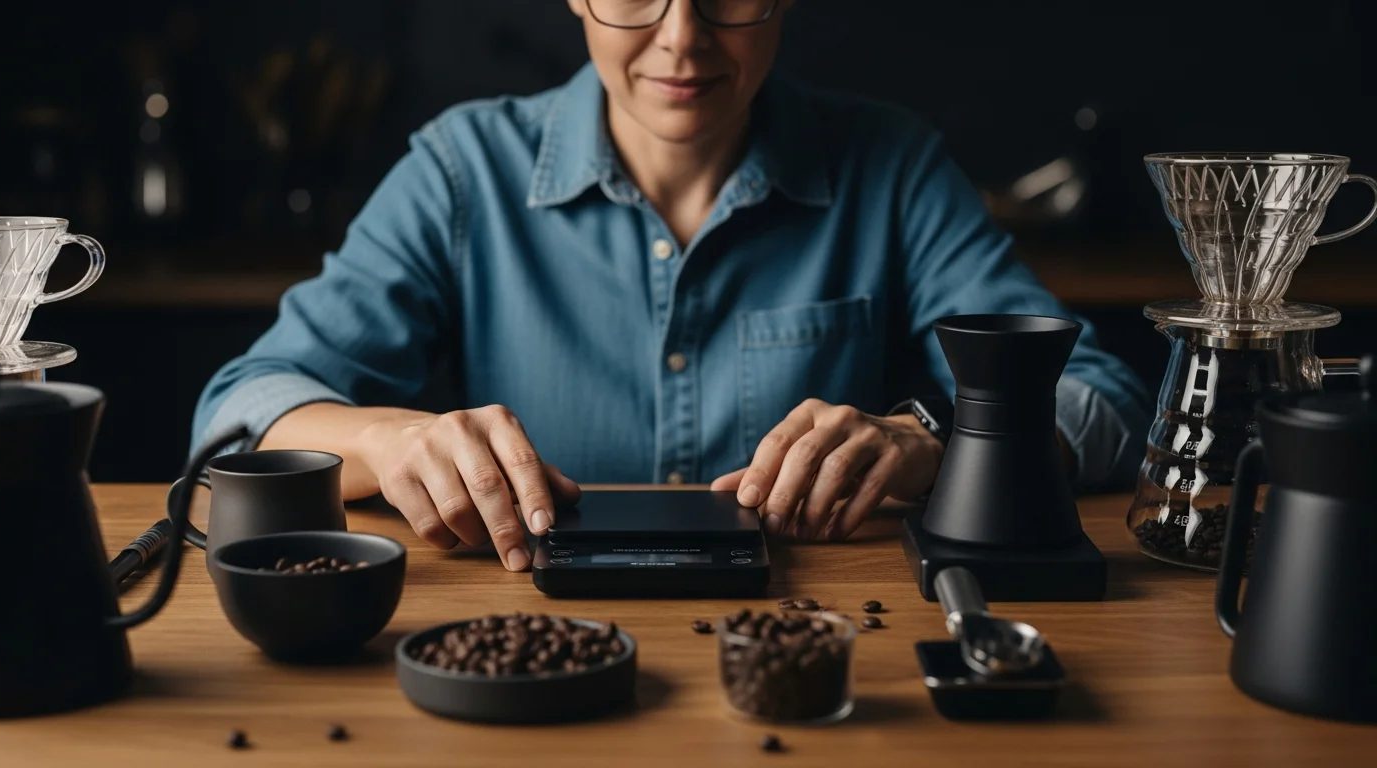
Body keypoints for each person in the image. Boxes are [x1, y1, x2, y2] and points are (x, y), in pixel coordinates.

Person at [192, 0, 1149, 572]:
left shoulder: (889, 166)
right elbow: (236, 419)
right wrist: (391, 437)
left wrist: (934, 441)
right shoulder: (460, 169)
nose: (682, 40)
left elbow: (1100, 399)